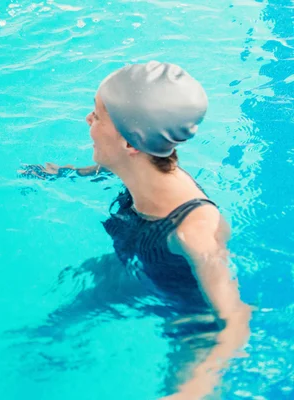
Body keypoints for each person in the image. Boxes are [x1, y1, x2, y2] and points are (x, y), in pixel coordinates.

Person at [22, 61, 251, 399]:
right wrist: (65, 173)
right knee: (52, 327)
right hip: (135, 262)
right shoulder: (142, 164)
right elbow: (103, 165)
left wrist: (191, 390)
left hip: (186, 317)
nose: (88, 120)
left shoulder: (194, 230)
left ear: (131, 144)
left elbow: (234, 322)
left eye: (97, 116)